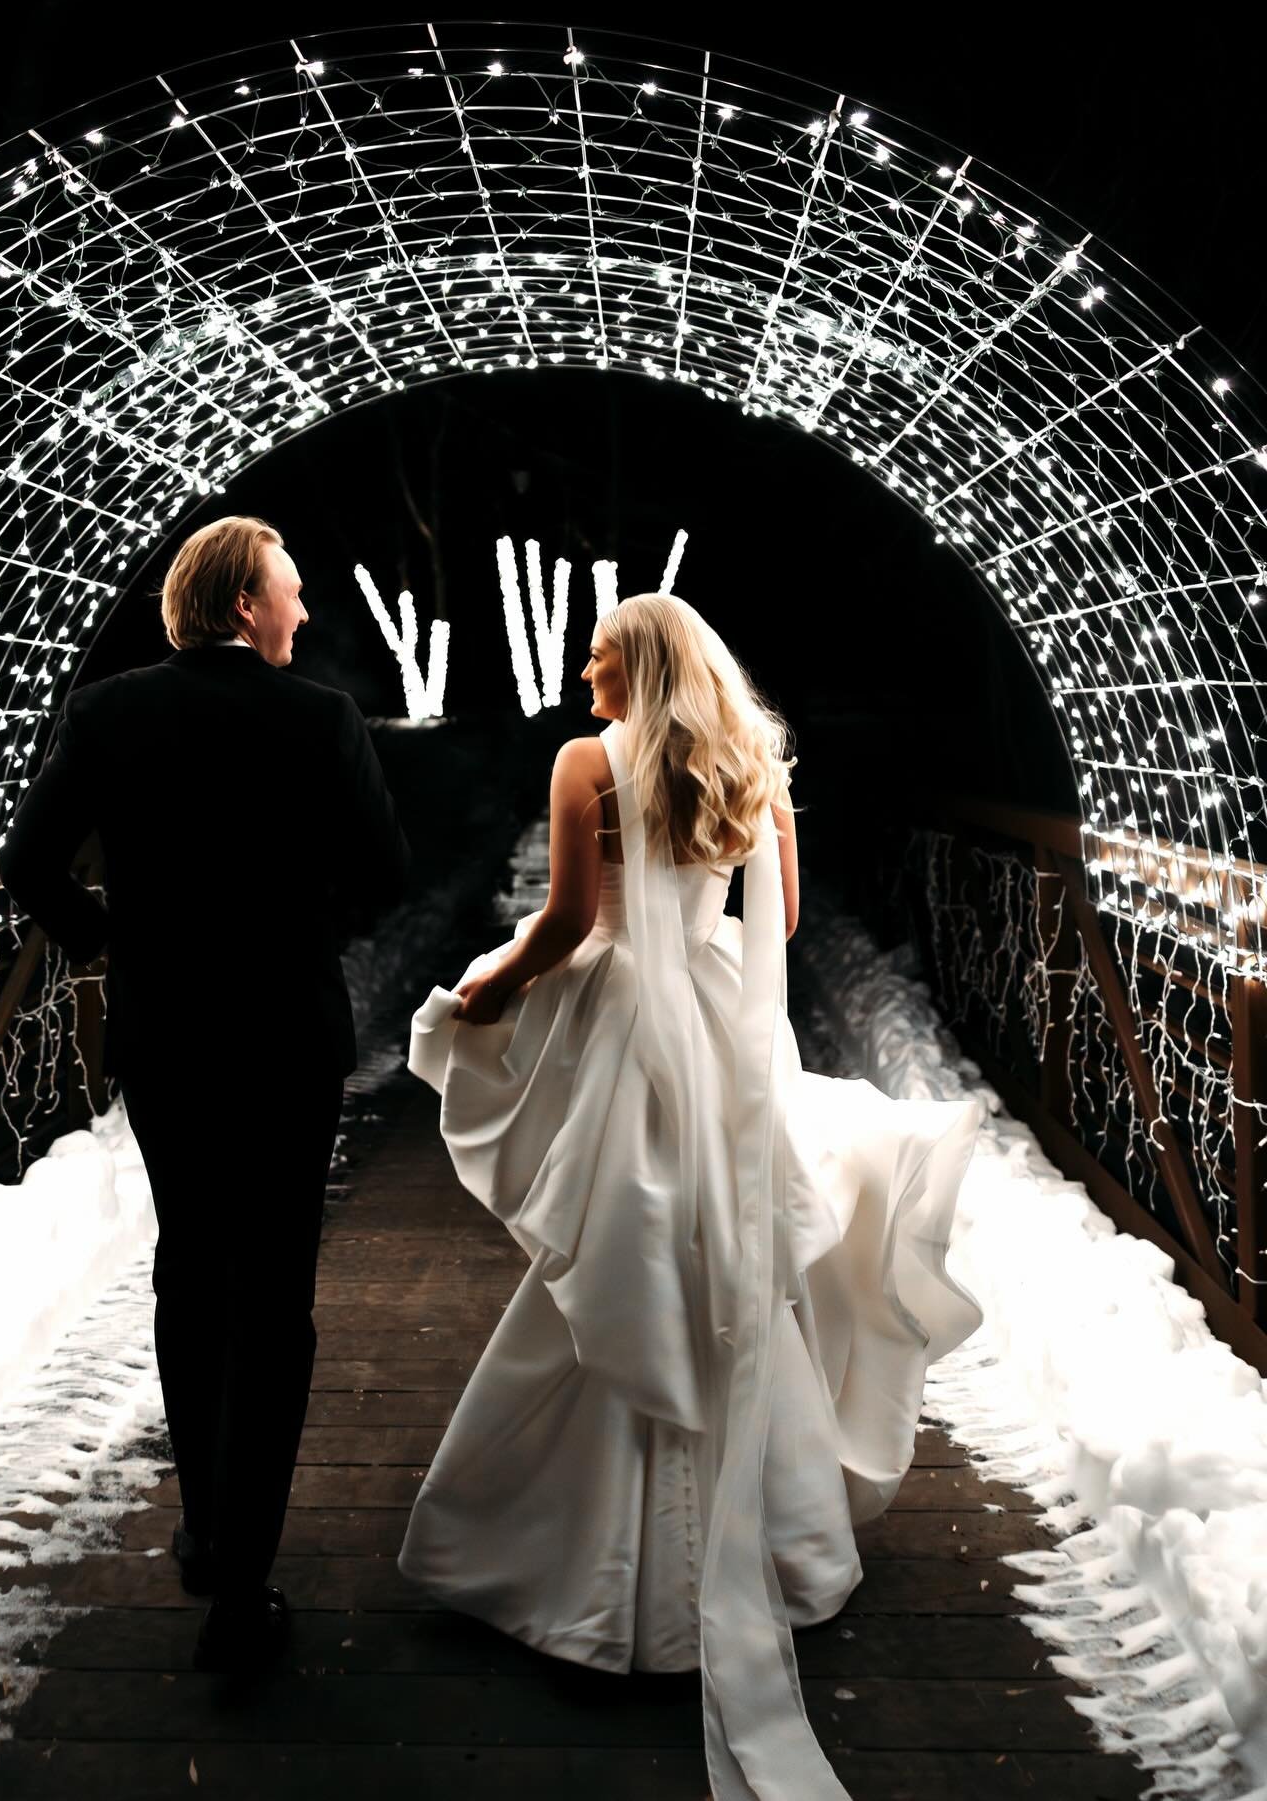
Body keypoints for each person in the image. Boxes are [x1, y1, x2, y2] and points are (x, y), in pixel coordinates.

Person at [402, 593, 983, 1799]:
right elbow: (784, 918)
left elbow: (565, 919)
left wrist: (490, 990)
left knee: (623, 1250)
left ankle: (595, 1585)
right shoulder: (749, 764)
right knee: (727, 1266)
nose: (584, 669)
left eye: (601, 654)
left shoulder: (585, 761)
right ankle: (781, 1550)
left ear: (642, 665)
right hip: (724, 1023)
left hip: (621, 1025)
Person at [0, 515, 410, 1674]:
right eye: (291, 590)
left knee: (189, 1264)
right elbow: (387, 873)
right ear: (244, 605)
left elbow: (26, 864)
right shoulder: (321, 717)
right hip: (284, 1034)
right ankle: (245, 1579)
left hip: (167, 1033)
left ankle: (201, 1521)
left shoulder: (108, 712)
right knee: (275, 1293)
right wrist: (299, 915)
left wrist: (114, 938)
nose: (305, 612)